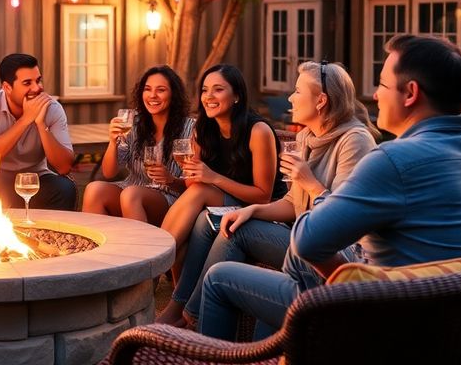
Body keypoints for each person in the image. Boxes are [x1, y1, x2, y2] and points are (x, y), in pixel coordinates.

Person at [197, 35, 461, 341]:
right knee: (288, 272)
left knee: (219, 277)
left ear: (411, 93)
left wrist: (348, 284)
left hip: (385, 322)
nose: (375, 95)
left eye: (382, 84)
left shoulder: (392, 158)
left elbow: (308, 242)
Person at [156, 61, 377, 328]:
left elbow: (342, 223)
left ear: (321, 101)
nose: (290, 97)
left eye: (297, 91)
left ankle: (191, 315)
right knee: (230, 224)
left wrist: (309, 183)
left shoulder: (354, 140)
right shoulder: (307, 136)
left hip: (332, 256)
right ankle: (192, 316)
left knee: (234, 232)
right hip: (300, 235)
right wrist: (251, 211)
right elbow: (290, 202)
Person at [159, 64, 288, 280]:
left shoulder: (258, 131)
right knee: (186, 236)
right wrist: (189, 172)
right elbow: (194, 184)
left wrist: (213, 177)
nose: (209, 96)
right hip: (223, 204)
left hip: (266, 212)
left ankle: (156, 257)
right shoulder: (203, 128)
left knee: (200, 192)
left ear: (237, 96)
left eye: (218, 89)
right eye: (205, 90)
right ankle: (181, 305)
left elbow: (264, 196)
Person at [81, 65, 190, 225]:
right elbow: (108, 172)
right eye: (147, 89)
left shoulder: (189, 128)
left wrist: (170, 179)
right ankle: (102, 247)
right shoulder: (134, 123)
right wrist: (113, 141)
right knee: (94, 190)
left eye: (161, 90)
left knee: (131, 195)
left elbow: (193, 185)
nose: (152, 95)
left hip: (169, 197)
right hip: (131, 188)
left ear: (173, 94)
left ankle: (141, 248)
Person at [0, 53, 76, 211]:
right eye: (27, 83)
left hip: (36, 177)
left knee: (64, 189)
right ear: (7, 87)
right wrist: (26, 119)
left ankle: (51, 234)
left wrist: (41, 124)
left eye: (38, 80)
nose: (37, 88)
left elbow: (64, 167)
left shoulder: (53, 109)